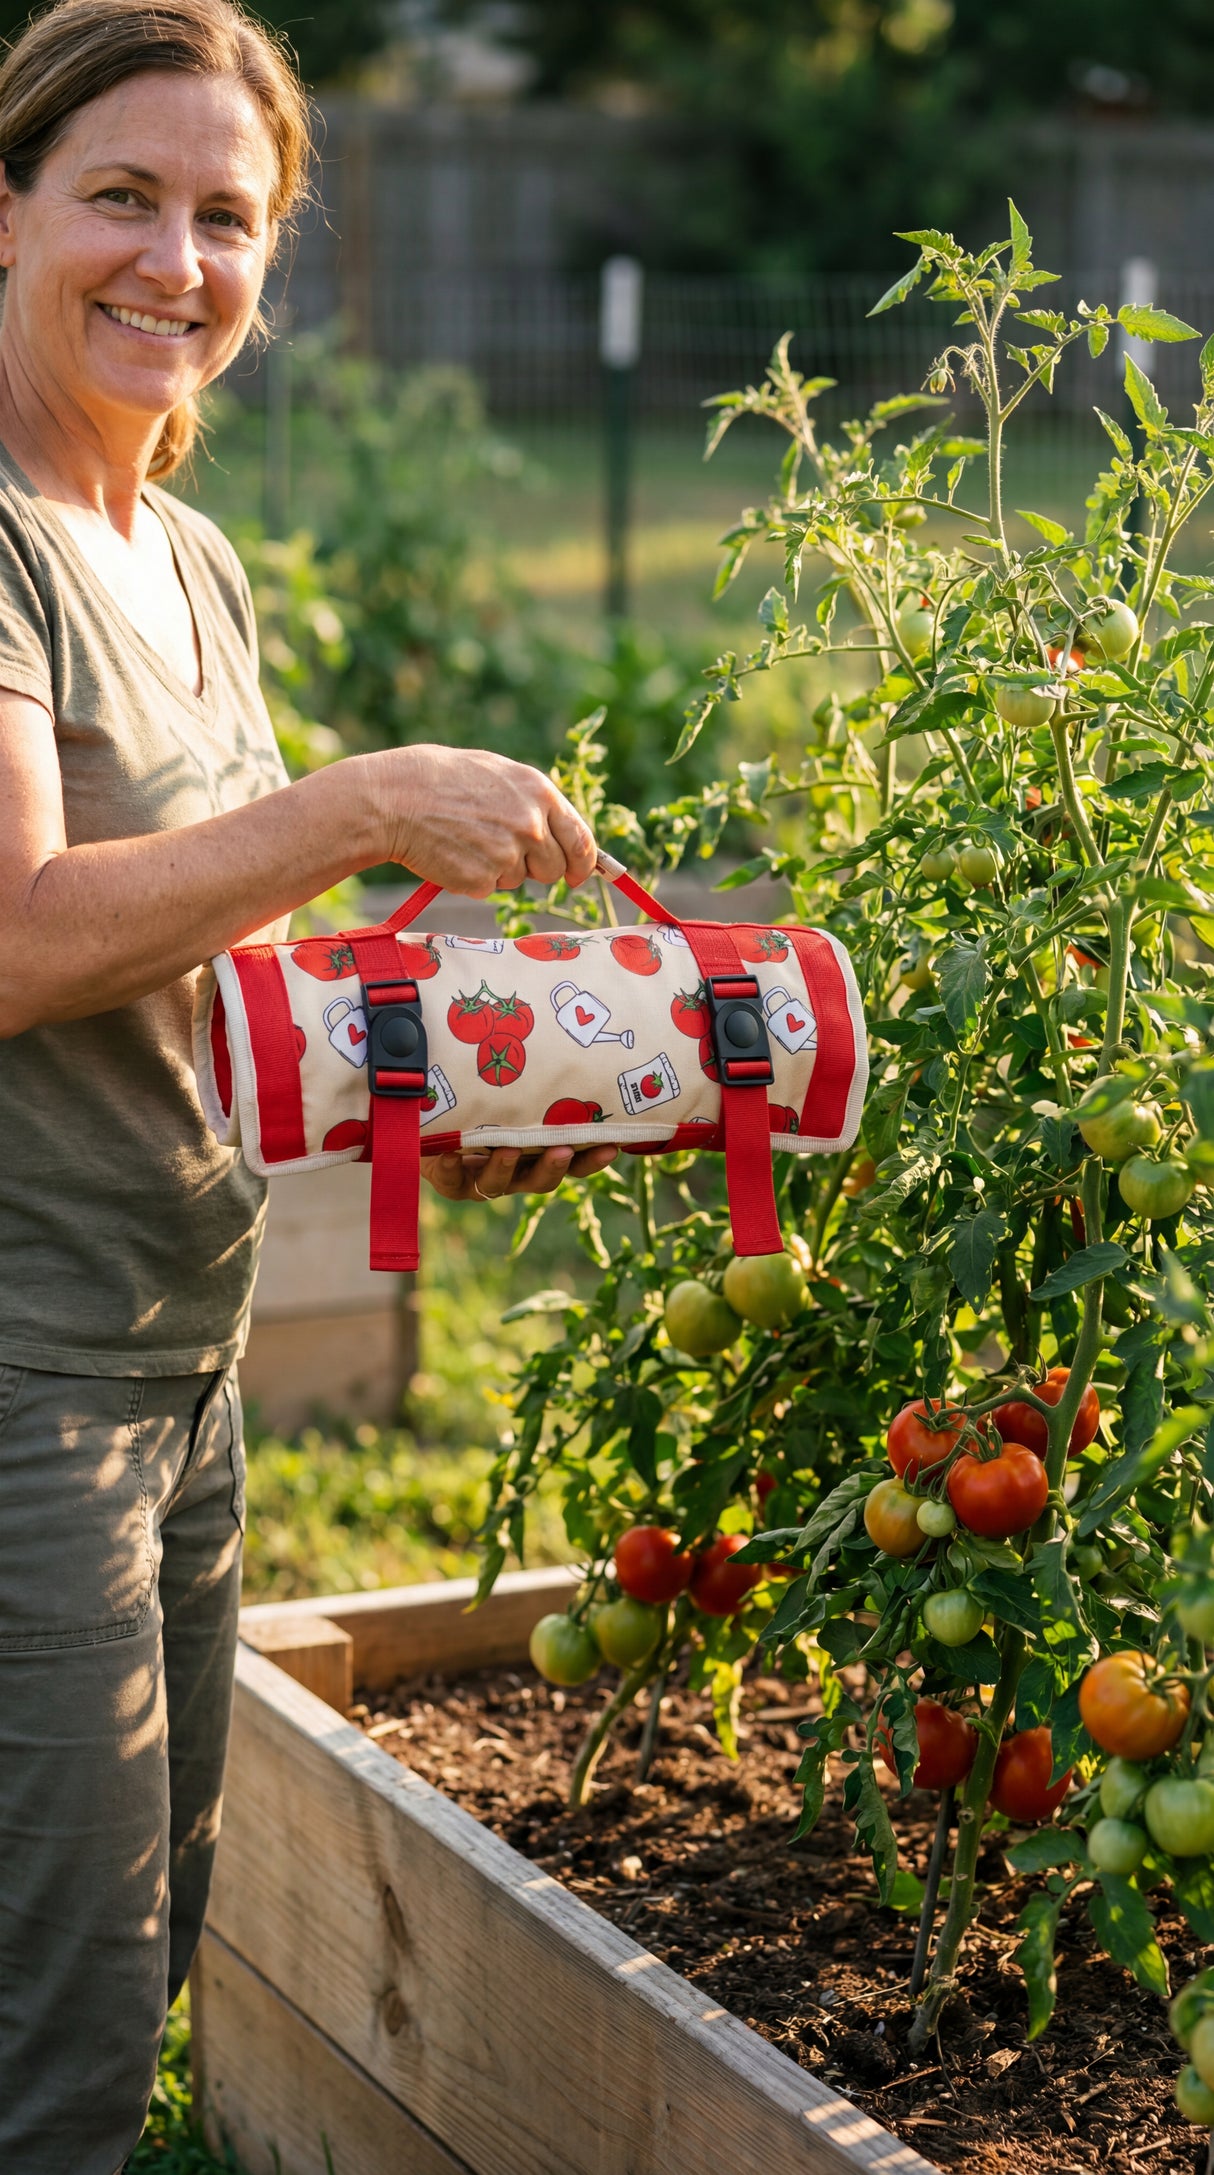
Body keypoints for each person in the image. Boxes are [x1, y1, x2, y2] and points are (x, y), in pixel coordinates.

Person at [0, 3, 615, 2166]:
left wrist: (474, 1083)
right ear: (6, 210)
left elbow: (217, 970)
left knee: (137, 1943)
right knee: (55, 2038)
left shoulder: (189, 557)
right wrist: (359, 799)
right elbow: (23, 937)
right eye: (121, 196)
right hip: (26, 1366)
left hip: (184, 1348)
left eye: (227, 215)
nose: (176, 260)